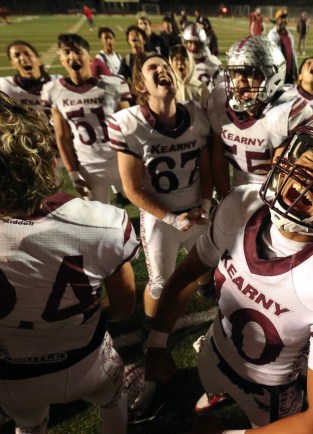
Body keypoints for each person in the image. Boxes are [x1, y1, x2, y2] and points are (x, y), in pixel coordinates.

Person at [144, 108, 313, 432]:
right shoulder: (242, 206)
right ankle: (214, 397)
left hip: (272, 392)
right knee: (206, 405)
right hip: (213, 355)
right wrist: (156, 340)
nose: (309, 175)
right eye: (309, 158)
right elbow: (188, 275)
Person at [0, 91, 139, 434]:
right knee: (112, 399)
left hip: (12, 376)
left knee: (29, 426)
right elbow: (123, 306)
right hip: (85, 361)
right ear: (48, 162)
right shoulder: (103, 221)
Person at [108, 52, 213, 343]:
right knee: (159, 283)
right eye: (153, 67)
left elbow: (205, 169)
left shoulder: (196, 115)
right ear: (141, 84)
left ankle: (206, 289)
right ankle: (150, 329)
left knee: (205, 263)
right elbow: (131, 189)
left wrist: (205, 204)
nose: (163, 69)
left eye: (166, 65)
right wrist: (170, 218)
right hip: (160, 219)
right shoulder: (128, 123)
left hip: (196, 211)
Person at [207, 35, 313, 193]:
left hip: (273, 194)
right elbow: (217, 162)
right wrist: (225, 198)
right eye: (235, 73)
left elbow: (282, 176)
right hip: (237, 190)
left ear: (272, 77)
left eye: (249, 73)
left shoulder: (286, 112)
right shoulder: (219, 100)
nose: (240, 81)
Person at [41, 33, 132, 204]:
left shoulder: (113, 84)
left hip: (121, 159)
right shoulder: (54, 90)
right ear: (61, 59)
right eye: (67, 52)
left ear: (89, 57)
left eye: (78, 51)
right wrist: (73, 173)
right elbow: (63, 137)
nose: (73, 56)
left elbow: (130, 125)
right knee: (98, 220)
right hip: (89, 166)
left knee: (147, 207)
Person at [1, 40, 57, 115]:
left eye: (27, 54)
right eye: (17, 55)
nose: (23, 58)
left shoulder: (58, 83)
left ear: (39, 60)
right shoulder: (6, 86)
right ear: (13, 64)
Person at [182, 23, 224, 91]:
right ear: (185, 43)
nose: (193, 46)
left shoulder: (212, 62)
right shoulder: (181, 63)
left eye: (196, 43)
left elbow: (222, 87)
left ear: (202, 44)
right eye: (190, 42)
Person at [169, 44, 209, 110]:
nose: (179, 62)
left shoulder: (200, 87)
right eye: (175, 59)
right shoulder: (169, 88)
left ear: (190, 61)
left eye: (183, 59)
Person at [268, 9, 298, 84]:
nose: (284, 20)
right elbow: (270, 55)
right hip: (279, 73)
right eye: (281, 18)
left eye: (285, 18)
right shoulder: (272, 34)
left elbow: (293, 53)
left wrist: (296, 69)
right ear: (277, 20)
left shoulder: (289, 33)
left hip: (289, 73)